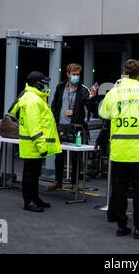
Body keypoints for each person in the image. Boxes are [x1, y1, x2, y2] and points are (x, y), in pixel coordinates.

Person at [98, 59, 139, 239]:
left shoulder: (113, 92)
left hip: (119, 148)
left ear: (124, 73)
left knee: (120, 188)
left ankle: (121, 225)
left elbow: (103, 113)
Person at [9, 71, 62, 212]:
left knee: (33, 174)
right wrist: (41, 145)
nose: (46, 85)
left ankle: (35, 198)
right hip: (34, 145)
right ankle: (29, 202)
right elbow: (34, 126)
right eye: (44, 82)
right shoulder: (32, 99)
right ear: (37, 83)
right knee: (30, 175)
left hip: (34, 145)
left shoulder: (35, 97)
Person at [48, 63, 98, 191]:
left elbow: (90, 108)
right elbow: (54, 105)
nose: (76, 76)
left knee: (76, 157)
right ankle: (58, 181)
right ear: (68, 74)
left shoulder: (84, 90)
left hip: (76, 127)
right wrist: (53, 121)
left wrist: (91, 98)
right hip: (60, 126)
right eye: (73, 74)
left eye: (78, 74)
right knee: (59, 155)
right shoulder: (60, 87)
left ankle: (75, 184)